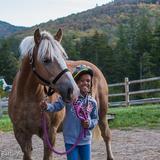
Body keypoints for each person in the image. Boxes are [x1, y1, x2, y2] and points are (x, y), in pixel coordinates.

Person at [40, 64, 99, 160]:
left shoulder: (92, 102)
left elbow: (95, 119)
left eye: (88, 81)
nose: (85, 83)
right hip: (70, 140)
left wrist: (89, 124)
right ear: (75, 83)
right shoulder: (68, 97)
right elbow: (56, 106)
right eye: (81, 81)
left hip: (85, 140)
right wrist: (47, 106)